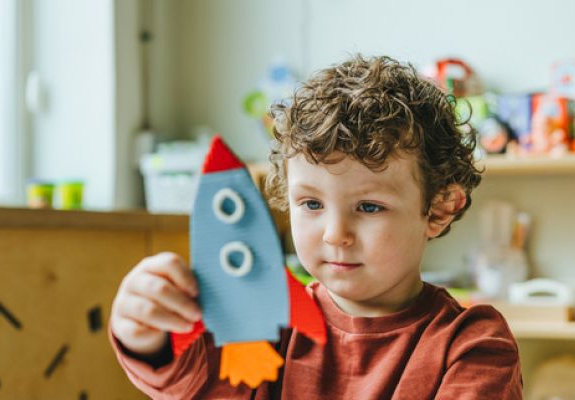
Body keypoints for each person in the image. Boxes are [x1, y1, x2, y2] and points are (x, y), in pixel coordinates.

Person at [109, 55, 523, 399]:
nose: (334, 233)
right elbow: (188, 379)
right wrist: (145, 330)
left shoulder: (473, 345)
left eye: (368, 206)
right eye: (310, 203)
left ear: (438, 210)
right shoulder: (267, 322)